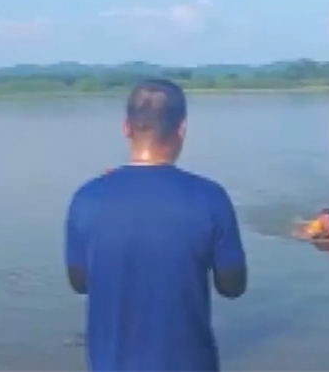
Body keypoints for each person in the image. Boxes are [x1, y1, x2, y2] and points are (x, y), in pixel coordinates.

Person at [64, 79, 248, 371]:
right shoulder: (211, 197)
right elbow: (232, 287)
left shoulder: (86, 198)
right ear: (182, 129)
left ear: (126, 128)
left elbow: (79, 283)